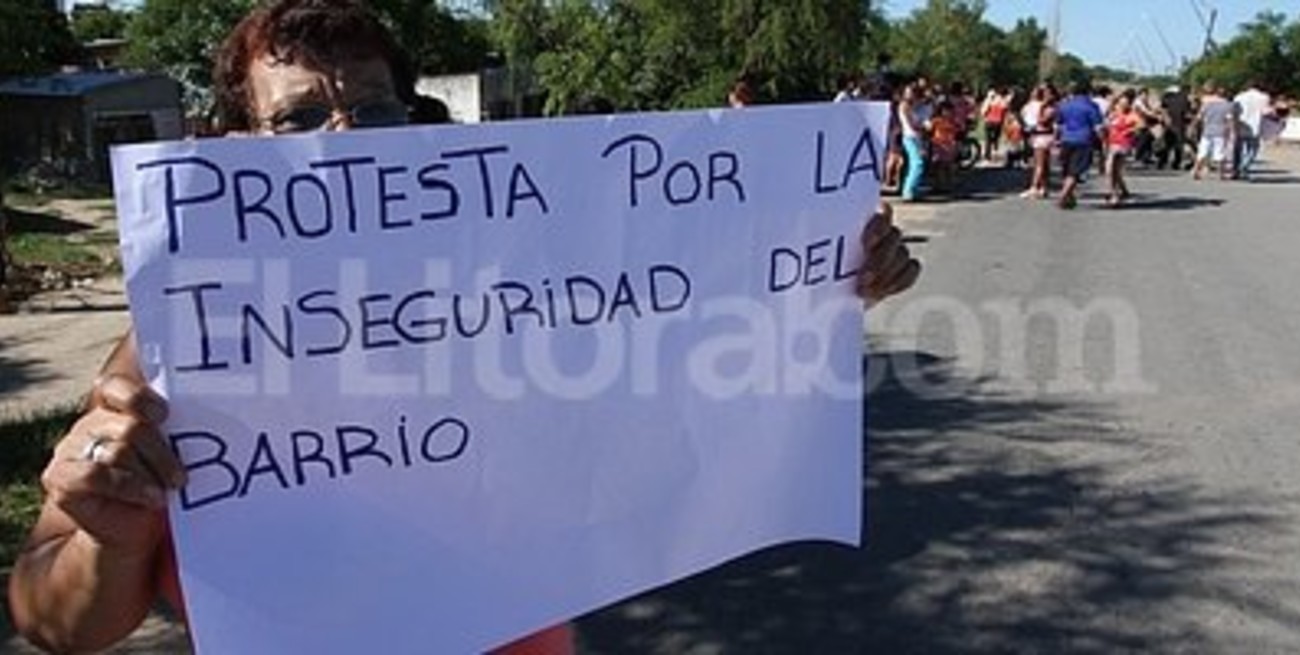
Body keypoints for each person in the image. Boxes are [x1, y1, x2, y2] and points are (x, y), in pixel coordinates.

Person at [6, 2, 924, 654]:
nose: (341, 137)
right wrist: (106, 537)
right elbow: (53, 624)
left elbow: (685, 328)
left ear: (412, 124)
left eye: (368, 108)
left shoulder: (515, 282)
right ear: (237, 145)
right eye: (296, 118)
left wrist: (823, 284)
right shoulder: (179, 346)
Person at [1055, 80, 1104, 210]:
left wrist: (1056, 139)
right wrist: (1103, 142)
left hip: (1066, 139)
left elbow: (1058, 124)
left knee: (1067, 170)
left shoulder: (1064, 105)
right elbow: (1098, 127)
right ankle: (1064, 195)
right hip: (1084, 140)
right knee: (1076, 171)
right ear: (1088, 91)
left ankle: (1069, 198)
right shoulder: (1091, 106)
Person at [1191, 82, 1235, 181]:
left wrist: (1193, 127)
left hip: (1207, 130)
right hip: (1220, 131)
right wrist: (1231, 131)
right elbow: (1229, 120)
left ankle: (1196, 171)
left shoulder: (1207, 104)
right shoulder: (1227, 105)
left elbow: (1199, 117)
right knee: (1219, 153)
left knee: (1202, 152)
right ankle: (1221, 174)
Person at [1021, 84, 1057, 199]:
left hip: (1042, 136)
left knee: (1039, 164)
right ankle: (1044, 187)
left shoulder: (1046, 108)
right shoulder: (1045, 106)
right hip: (1042, 136)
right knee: (1044, 164)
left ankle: (1034, 187)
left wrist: (1041, 110)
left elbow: (1041, 121)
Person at [1105, 91, 1142, 207]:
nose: (1122, 105)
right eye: (1121, 103)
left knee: (1111, 169)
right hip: (1111, 144)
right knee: (1113, 170)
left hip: (1123, 145)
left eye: (1125, 103)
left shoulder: (1132, 114)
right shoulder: (1113, 113)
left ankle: (1113, 195)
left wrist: (1129, 130)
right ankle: (1120, 191)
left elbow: (1141, 125)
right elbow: (1106, 124)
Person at [1232, 81, 1273, 180]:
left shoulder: (1239, 96)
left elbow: (1234, 111)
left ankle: (1236, 169)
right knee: (1253, 149)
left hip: (1241, 125)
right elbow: (1266, 112)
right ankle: (1244, 166)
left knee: (1238, 149)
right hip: (1255, 125)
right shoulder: (1264, 97)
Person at [898, 82, 928, 202]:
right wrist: (923, 126)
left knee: (913, 163)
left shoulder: (915, 106)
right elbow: (912, 124)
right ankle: (908, 191)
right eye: (908, 92)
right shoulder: (904, 106)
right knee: (918, 163)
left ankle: (913, 189)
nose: (910, 95)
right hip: (910, 137)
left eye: (912, 93)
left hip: (916, 137)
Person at [980, 87, 1009, 161]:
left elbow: (984, 111)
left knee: (988, 139)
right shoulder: (1004, 101)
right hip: (998, 122)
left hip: (989, 121)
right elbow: (1004, 113)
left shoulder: (991, 99)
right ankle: (995, 153)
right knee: (996, 139)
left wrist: (984, 117)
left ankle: (987, 154)